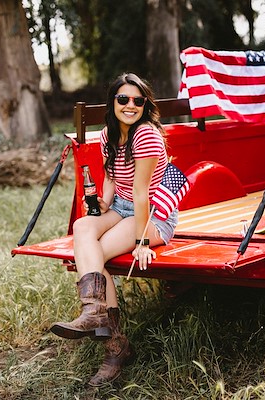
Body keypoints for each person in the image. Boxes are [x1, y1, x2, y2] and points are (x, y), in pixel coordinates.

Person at [49, 72, 179, 386]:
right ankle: (95, 312)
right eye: (123, 99)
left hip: (152, 215)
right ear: (114, 102)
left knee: (97, 257)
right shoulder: (108, 134)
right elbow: (110, 176)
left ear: (145, 104)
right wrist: (103, 205)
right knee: (83, 226)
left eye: (138, 100)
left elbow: (140, 192)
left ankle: (115, 348)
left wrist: (142, 242)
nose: (130, 105)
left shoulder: (146, 134)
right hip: (121, 206)